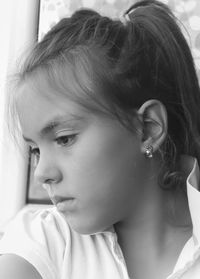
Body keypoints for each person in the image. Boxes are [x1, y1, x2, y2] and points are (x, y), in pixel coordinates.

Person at [0, 0, 200, 278]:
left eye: (64, 139)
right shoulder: (44, 242)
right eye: (35, 150)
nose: (42, 175)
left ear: (149, 128)